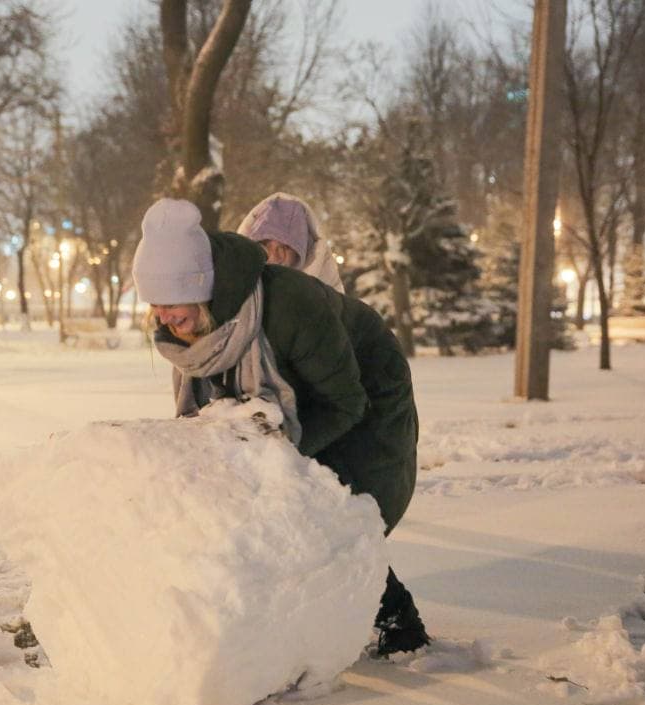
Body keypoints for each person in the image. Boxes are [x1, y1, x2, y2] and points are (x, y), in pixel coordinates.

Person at [134, 197, 429, 656]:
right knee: (254, 498)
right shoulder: (198, 324)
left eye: (173, 304)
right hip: (292, 396)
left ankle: (397, 623)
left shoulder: (290, 304)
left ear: (205, 288)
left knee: (333, 508)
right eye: (155, 304)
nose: (165, 317)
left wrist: (273, 452)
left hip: (367, 396)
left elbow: (345, 402)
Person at [237, 193, 343, 293]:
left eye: (285, 247)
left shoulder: (326, 290)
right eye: (265, 244)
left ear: (303, 250)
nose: (273, 257)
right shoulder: (234, 282)